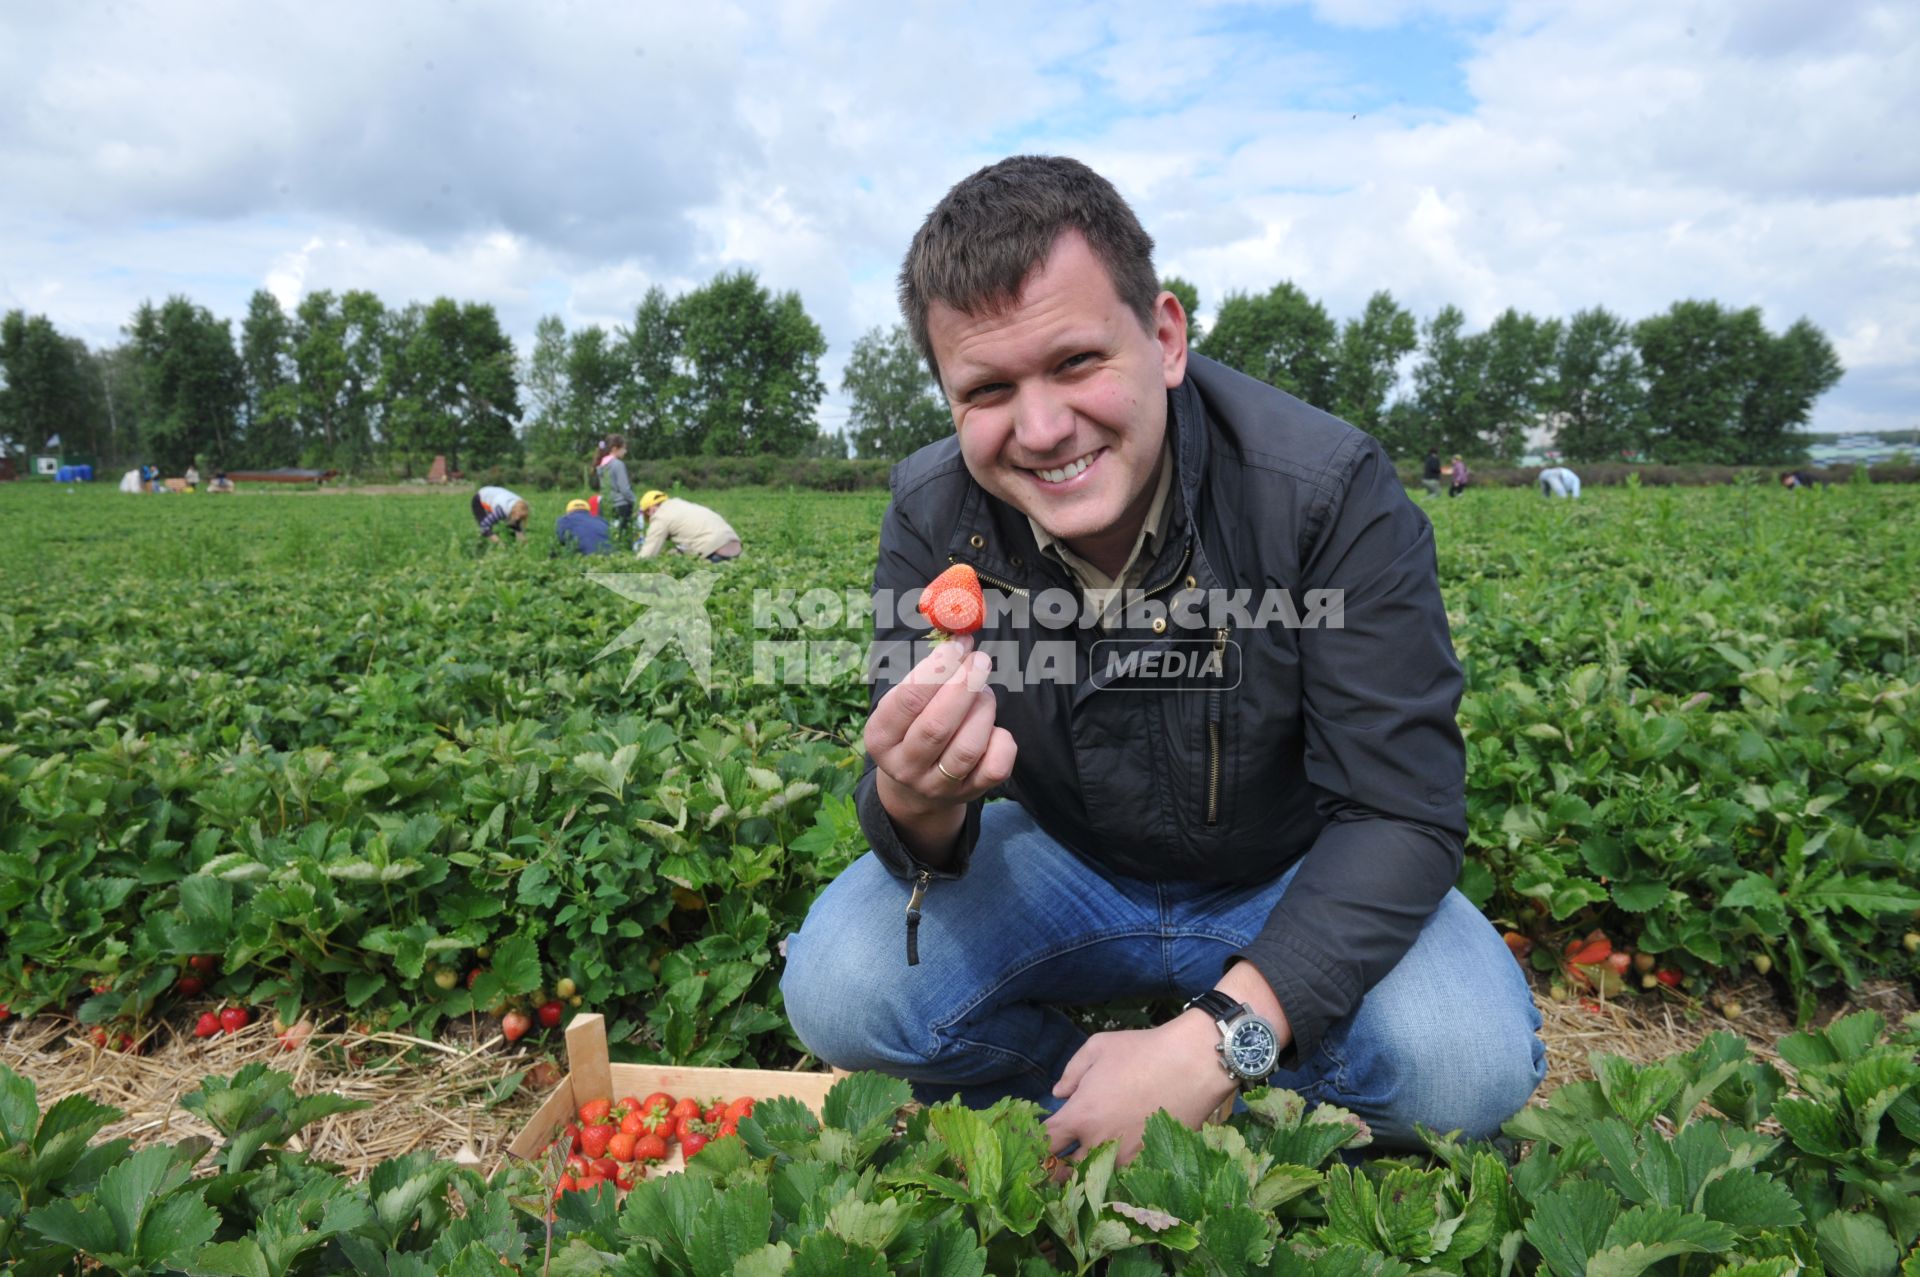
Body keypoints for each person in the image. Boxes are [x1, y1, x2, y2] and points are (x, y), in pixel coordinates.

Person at [779, 155, 1543, 1169]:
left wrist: (1218, 1038)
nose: (1043, 427)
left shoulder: (1324, 490)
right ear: (950, 398)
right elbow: (912, 811)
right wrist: (917, 799)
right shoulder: (933, 512)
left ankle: (1200, 1078)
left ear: (1166, 337)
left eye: (1078, 361)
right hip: (1067, 861)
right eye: (990, 389)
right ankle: (1118, 1091)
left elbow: (1401, 810)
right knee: (837, 985)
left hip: (1291, 867)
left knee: (1467, 1067)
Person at [635, 489, 742, 562]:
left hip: (716, 554)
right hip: (737, 548)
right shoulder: (679, 504)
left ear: (650, 509)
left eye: (647, 515)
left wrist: (634, 565)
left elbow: (648, 554)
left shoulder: (660, 517)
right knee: (675, 554)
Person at [600, 435, 638, 541]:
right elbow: (624, 489)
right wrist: (635, 501)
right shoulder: (618, 464)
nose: (625, 451)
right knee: (624, 537)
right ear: (615, 449)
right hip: (622, 506)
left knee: (611, 537)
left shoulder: (602, 465)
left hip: (607, 505)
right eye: (624, 448)